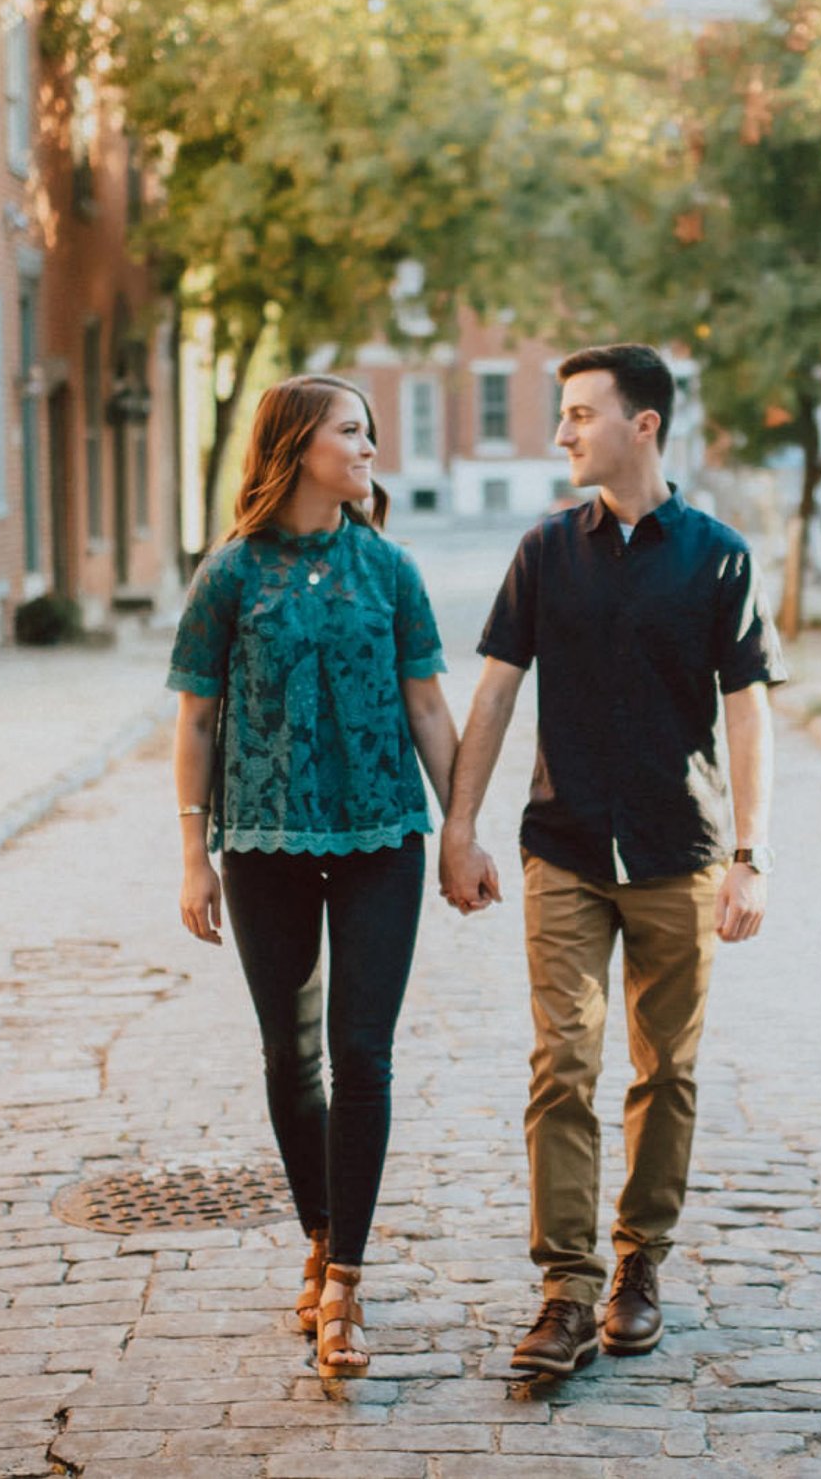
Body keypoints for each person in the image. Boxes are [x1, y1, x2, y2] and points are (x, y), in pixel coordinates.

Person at [439, 342, 785, 1378]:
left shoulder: (719, 556)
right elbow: (495, 694)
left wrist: (751, 853)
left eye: (580, 413)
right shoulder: (546, 552)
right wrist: (458, 827)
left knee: (664, 1071)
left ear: (644, 424)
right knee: (563, 1065)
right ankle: (565, 1287)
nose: (560, 433)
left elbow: (749, 713)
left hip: (681, 853)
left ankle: (640, 1267)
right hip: (567, 852)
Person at [168, 373, 459, 1380]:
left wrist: (459, 828)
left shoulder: (390, 569)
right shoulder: (231, 576)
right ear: (296, 444)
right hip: (263, 845)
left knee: (361, 1054)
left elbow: (428, 708)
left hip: (384, 840)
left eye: (372, 431)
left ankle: (344, 1280)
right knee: (289, 1061)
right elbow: (197, 718)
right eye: (352, 430)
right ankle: (318, 1230)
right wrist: (192, 852)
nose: (369, 445)